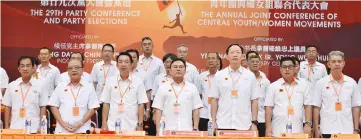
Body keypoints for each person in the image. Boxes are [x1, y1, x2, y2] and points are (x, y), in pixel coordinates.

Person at [210, 44, 259, 131]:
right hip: (223, 123)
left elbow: (254, 101)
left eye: (238, 52)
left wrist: (254, 122)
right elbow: (214, 100)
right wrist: (213, 121)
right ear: (227, 56)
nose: (235, 55)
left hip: (244, 124)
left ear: (243, 56)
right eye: (232, 53)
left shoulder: (250, 76)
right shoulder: (219, 75)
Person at [312, 51, 361, 138]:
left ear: (343, 64)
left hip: (347, 130)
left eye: (339, 61)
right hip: (327, 129)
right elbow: (316, 108)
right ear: (328, 64)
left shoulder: (351, 82)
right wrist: (316, 129)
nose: (337, 64)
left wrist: (356, 129)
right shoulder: (321, 83)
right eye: (333, 61)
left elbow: (356, 107)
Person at [264, 57, 312, 137]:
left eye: (290, 67)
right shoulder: (273, 86)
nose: (287, 69)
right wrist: (268, 126)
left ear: (294, 68)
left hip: (297, 129)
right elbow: (268, 107)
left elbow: (308, 106)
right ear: (280, 69)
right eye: (284, 67)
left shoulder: (304, 85)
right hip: (277, 129)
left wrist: (308, 124)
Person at [100, 52, 148, 131]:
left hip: (132, 125)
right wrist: (104, 123)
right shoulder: (110, 81)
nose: (123, 64)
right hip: (113, 125)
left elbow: (141, 104)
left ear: (131, 64)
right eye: (120, 62)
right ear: (117, 65)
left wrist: (140, 123)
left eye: (126, 62)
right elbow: (106, 103)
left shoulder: (138, 82)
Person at [152, 58, 203, 134]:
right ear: (170, 71)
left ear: (185, 71)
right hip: (167, 131)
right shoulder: (163, 87)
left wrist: (195, 128)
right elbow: (158, 110)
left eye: (181, 67)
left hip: (187, 130)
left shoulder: (192, 88)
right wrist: (158, 130)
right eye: (175, 67)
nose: (178, 69)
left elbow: (196, 109)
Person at [48, 59, 99, 134]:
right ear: (67, 71)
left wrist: (80, 123)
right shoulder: (60, 86)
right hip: (62, 130)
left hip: (82, 129)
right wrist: (63, 124)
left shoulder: (89, 87)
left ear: (82, 70)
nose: (74, 70)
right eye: (70, 68)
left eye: (77, 67)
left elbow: (93, 108)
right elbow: (53, 106)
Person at [2, 56, 48, 133]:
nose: (25, 69)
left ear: (33, 68)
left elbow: (43, 107)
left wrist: (41, 126)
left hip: (34, 128)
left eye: (28, 66)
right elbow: (7, 107)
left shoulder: (40, 85)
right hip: (15, 128)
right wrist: (6, 127)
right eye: (22, 66)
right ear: (18, 69)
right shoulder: (12, 86)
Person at [138, 37, 165, 135]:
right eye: (144, 44)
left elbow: (162, 79)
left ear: (153, 46)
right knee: (139, 124)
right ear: (141, 47)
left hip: (153, 97)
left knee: (152, 126)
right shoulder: (136, 60)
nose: (147, 46)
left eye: (149, 44)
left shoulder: (158, 62)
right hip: (138, 96)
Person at [91, 44, 118, 128]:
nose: (107, 53)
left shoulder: (117, 66)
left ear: (113, 53)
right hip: (100, 100)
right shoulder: (97, 66)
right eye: (105, 51)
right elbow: (94, 83)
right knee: (100, 124)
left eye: (109, 51)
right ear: (102, 53)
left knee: (112, 124)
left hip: (113, 100)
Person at [247, 54, 270, 137]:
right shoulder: (244, 78)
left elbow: (268, 101)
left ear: (260, 63)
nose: (255, 63)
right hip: (247, 118)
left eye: (257, 62)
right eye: (252, 62)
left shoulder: (265, 80)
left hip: (262, 118)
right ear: (248, 63)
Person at [198, 52, 219, 131]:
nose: (211, 60)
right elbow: (198, 94)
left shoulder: (222, 76)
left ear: (218, 61)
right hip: (204, 114)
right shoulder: (201, 76)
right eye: (209, 58)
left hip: (218, 115)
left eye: (213, 58)